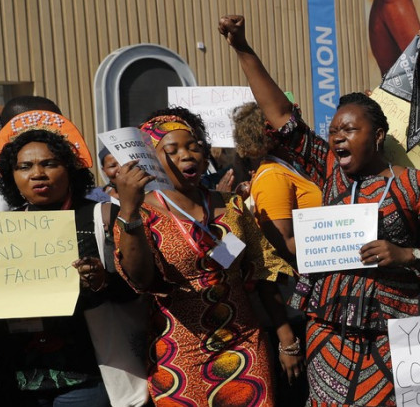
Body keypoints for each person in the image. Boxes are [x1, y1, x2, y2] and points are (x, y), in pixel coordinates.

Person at [220, 13, 420, 407]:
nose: (337, 137)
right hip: (328, 331)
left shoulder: (413, 185)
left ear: (377, 137)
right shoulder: (328, 172)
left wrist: (405, 254)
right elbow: (280, 116)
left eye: (349, 130)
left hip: (394, 338)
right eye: (334, 131)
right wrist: (242, 47)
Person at [113, 107, 301, 406]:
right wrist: (129, 211)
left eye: (194, 147)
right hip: (177, 354)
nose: (187, 155)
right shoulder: (141, 213)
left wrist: (286, 337)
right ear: (151, 161)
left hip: (245, 346)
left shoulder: (232, 204)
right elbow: (140, 280)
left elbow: (263, 272)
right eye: (172, 151)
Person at [0, 128, 120, 406]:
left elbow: (138, 288)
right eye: (24, 166)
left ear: (69, 169)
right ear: (12, 176)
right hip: (16, 376)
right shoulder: (1, 229)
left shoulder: (100, 217)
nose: (37, 173)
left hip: (85, 373)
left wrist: (103, 280)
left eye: (49, 163)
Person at [233, 101, 323, 264]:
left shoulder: (285, 169)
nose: (299, 125)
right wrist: (338, 243)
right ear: (274, 134)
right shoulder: (273, 176)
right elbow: (284, 245)